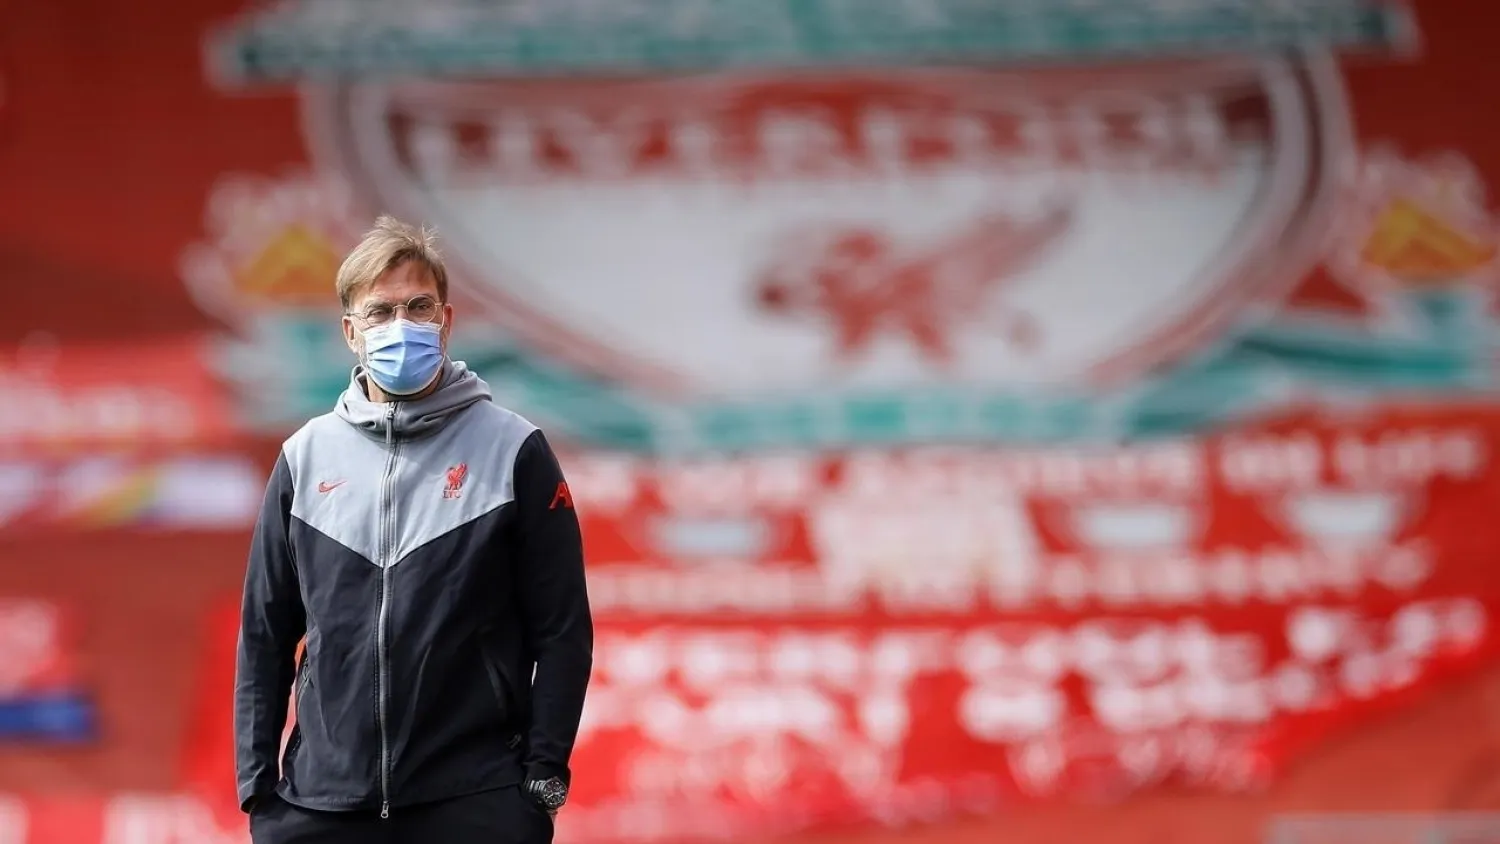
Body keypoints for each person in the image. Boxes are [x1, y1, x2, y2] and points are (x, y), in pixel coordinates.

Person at [234, 215, 594, 844]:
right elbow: (266, 633)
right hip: (319, 805)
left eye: (419, 306)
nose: (401, 326)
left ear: (446, 321)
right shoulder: (304, 457)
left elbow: (563, 629)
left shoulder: (513, 449)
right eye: (380, 312)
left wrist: (542, 776)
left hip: (474, 799)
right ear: (351, 332)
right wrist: (258, 788)